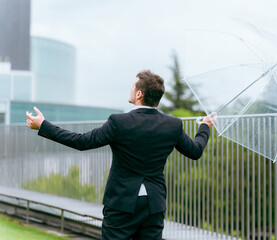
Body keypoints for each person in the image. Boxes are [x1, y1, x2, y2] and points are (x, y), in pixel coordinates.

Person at [26, 70, 214, 240]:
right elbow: (195, 151)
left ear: (139, 94)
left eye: (133, 86)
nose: (130, 89)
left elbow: (82, 142)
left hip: (121, 204)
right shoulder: (173, 125)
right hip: (154, 205)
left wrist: (43, 125)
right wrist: (205, 126)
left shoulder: (119, 122)